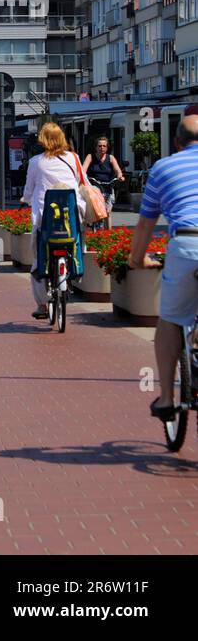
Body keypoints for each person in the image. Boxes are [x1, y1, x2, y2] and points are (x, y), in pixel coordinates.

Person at [131, 115, 198, 423]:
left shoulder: (164, 167)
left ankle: (168, 398)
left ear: (176, 141)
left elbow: (146, 222)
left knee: (170, 319)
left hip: (186, 244)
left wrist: (138, 259)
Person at [19, 122, 85, 319]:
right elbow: (82, 183)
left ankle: (42, 305)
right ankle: (74, 273)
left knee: (39, 261)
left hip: (44, 219)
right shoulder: (74, 158)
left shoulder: (35, 162)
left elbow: (29, 191)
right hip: (71, 217)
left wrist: (26, 199)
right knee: (76, 241)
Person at [82, 136, 125, 216]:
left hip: (108, 186)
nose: (102, 148)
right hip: (95, 186)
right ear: (96, 147)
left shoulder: (111, 158)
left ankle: (109, 228)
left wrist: (120, 176)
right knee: (95, 208)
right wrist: (82, 176)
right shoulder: (90, 157)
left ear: (107, 147)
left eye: (104, 146)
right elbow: (83, 169)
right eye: (100, 146)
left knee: (108, 213)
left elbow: (117, 170)